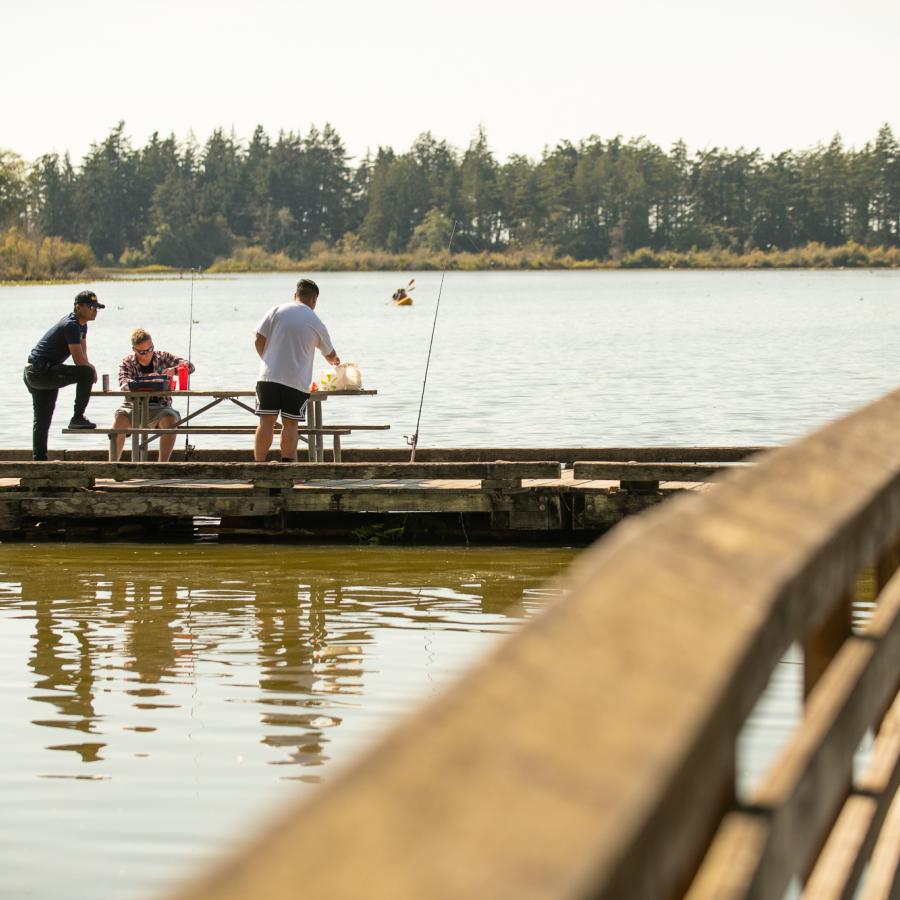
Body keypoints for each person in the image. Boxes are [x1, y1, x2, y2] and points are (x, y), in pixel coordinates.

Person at [253, 278, 340, 462]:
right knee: (291, 424)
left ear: (295, 295)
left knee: (266, 422)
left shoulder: (276, 310)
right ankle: (286, 467)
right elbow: (330, 355)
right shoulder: (316, 322)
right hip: (296, 382)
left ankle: (258, 467)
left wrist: (268, 361)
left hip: (268, 377)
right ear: (314, 299)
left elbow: (258, 339)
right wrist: (336, 361)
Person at [24, 289, 104, 460]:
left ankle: (39, 460)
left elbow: (83, 354)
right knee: (85, 373)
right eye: (91, 306)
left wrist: (90, 367)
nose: (95, 310)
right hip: (40, 372)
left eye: (97, 307)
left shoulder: (82, 325)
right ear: (78, 307)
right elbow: (78, 361)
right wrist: (90, 370)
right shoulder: (71, 325)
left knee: (43, 419)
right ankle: (77, 417)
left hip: (39, 371)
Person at [113, 329, 195, 462]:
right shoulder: (127, 362)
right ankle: (113, 465)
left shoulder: (163, 357)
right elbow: (124, 383)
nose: (147, 354)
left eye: (150, 349)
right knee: (119, 422)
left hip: (161, 406)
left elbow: (190, 366)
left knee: (171, 422)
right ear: (134, 349)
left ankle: (162, 465)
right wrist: (146, 379)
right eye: (142, 352)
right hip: (133, 406)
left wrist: (173, 370)